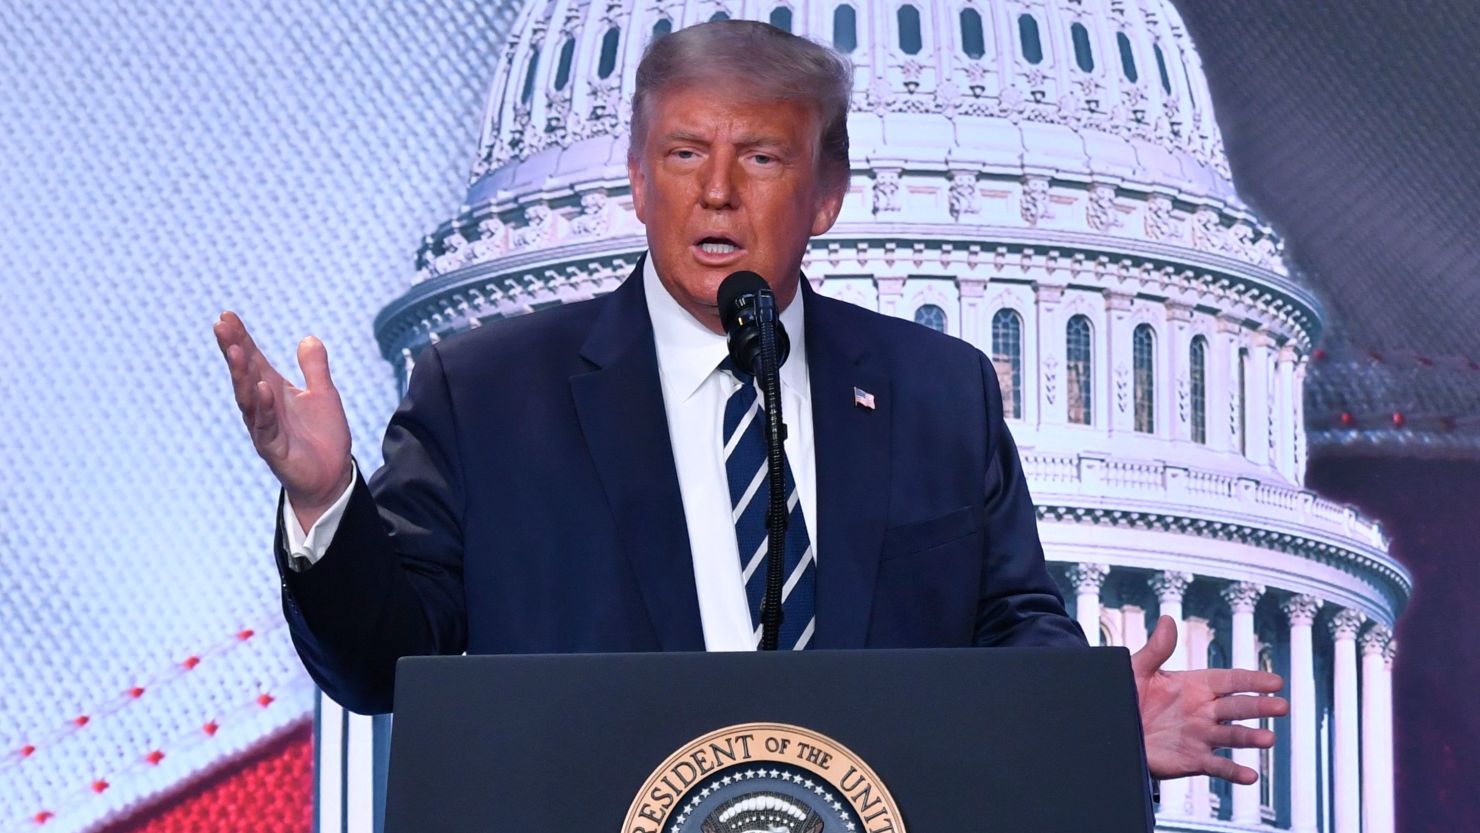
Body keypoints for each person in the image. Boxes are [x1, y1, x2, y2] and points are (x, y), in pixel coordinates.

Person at [214, 20, 1285, 786]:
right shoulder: (489, 395)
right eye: (683, 154)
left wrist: (1085, 719)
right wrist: (325, 505)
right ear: (638, 179)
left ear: (825, 192)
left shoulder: (934, 395)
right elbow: (380, 657)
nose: (715, 191)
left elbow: (1005, 629)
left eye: (760, 157)